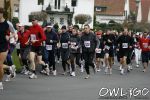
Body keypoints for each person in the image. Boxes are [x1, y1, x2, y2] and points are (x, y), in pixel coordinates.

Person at [0, 8, 16, 89]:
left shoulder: (8, 23)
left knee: (0, 65)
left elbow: (14, 33)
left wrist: (9, 36)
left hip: (4, 46)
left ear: (2, 14)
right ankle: (9, 67)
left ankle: (0, 83)